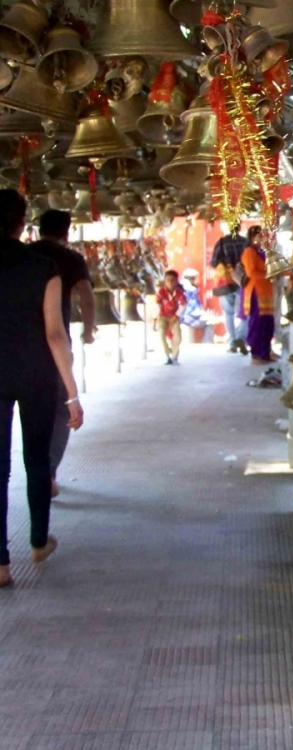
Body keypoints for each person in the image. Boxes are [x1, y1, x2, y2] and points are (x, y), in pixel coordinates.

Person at [0, 190, 83, 587]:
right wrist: (72, 392)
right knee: (36, 459)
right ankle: (37, 541)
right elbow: (55, 334)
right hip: (36, 374)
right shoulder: (43, 266)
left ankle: (0, 564)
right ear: (22, 224)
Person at [27, 209, 95, 497]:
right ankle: (48, 473)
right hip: (56, 346)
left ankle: (38, 473)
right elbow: (87, 295)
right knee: (59, 411)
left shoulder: (25, 255)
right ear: (66, 232)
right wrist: (89, 330)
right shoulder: (70, 259)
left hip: (19, 347)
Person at [241, 227, 276, 365]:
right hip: (256, 291)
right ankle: (256, 354)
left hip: (266, 291)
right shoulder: (249, 252)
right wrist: (268, 275)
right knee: (257, 324)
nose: (263, 238)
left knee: (268, 323)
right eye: (260, 236)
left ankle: (265, 353)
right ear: (253, 237)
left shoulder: (263, 252)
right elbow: (251, 272)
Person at [210, 230, 248, 354]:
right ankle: (241, 337)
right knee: (245, 312)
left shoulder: (221, 243)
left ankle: (232, 342)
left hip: (225, 283)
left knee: (228, 314)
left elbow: (214, 262)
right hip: (242, 281)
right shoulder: (245, 242)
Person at [156, 270, 186, 365]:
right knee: (161, 335)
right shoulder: (161, 292)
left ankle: (174, 356)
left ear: (177, 281)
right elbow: (157, 305)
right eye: (168, 280)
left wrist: (176, 316)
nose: (170, 282)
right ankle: (167, 355)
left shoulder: (179, 293)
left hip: (174, 317)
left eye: (172, 280)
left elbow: (183, 305)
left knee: (178, 337)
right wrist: (155, 319)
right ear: (164, 281)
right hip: (163, 316)